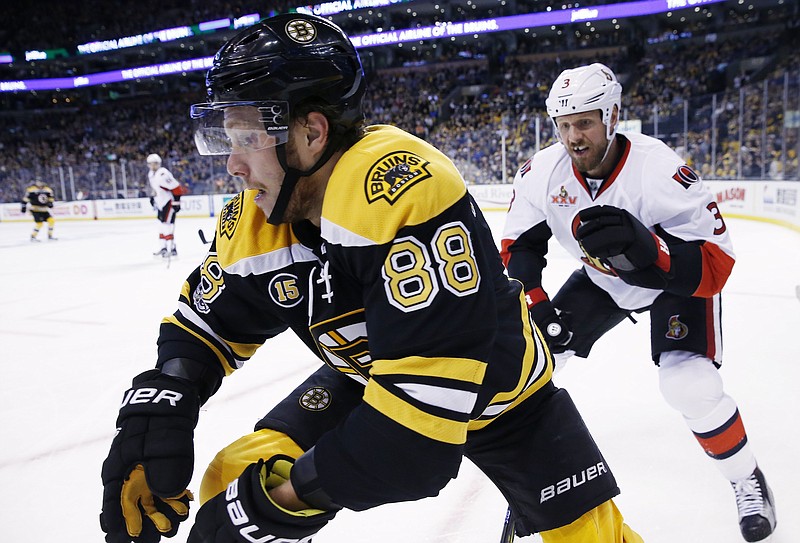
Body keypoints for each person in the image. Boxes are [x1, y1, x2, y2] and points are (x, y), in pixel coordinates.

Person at [99, 15, 645, 543]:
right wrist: (159, 409)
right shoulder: (259, 215)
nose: (232, 166)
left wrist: (282, 503)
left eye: (246, 140)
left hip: (503, 398)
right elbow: (206, 326)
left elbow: (414, 443)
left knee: (591, 540)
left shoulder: (400, 191)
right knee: (237, 474)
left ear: (310, 133)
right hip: (375, 379)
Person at [500, 63, 776, 543]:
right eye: (563, 125)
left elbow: (716, 265)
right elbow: (519, 246)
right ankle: (538, 488)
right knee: (525, 369)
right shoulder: (542, 171)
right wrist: (537, 303)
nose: (573, 137)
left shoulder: (660, 169)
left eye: (584, 122)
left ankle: (745, 477)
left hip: (674, 284)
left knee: (688, 385)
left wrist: (652, 250)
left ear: (613, 115)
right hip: (602, 280)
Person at [147, 153, 183, 257]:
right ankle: (163, 247)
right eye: (151, 164)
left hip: (168, 202)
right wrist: (153, 198)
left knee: (167, 225)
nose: (153, 166)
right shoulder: (151, 174)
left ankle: (171, 248)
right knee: (160, 226)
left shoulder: (163, 174)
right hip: (160, 203)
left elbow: (176, 188)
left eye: (155, 164)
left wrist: (176, 203)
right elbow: (155, 188)